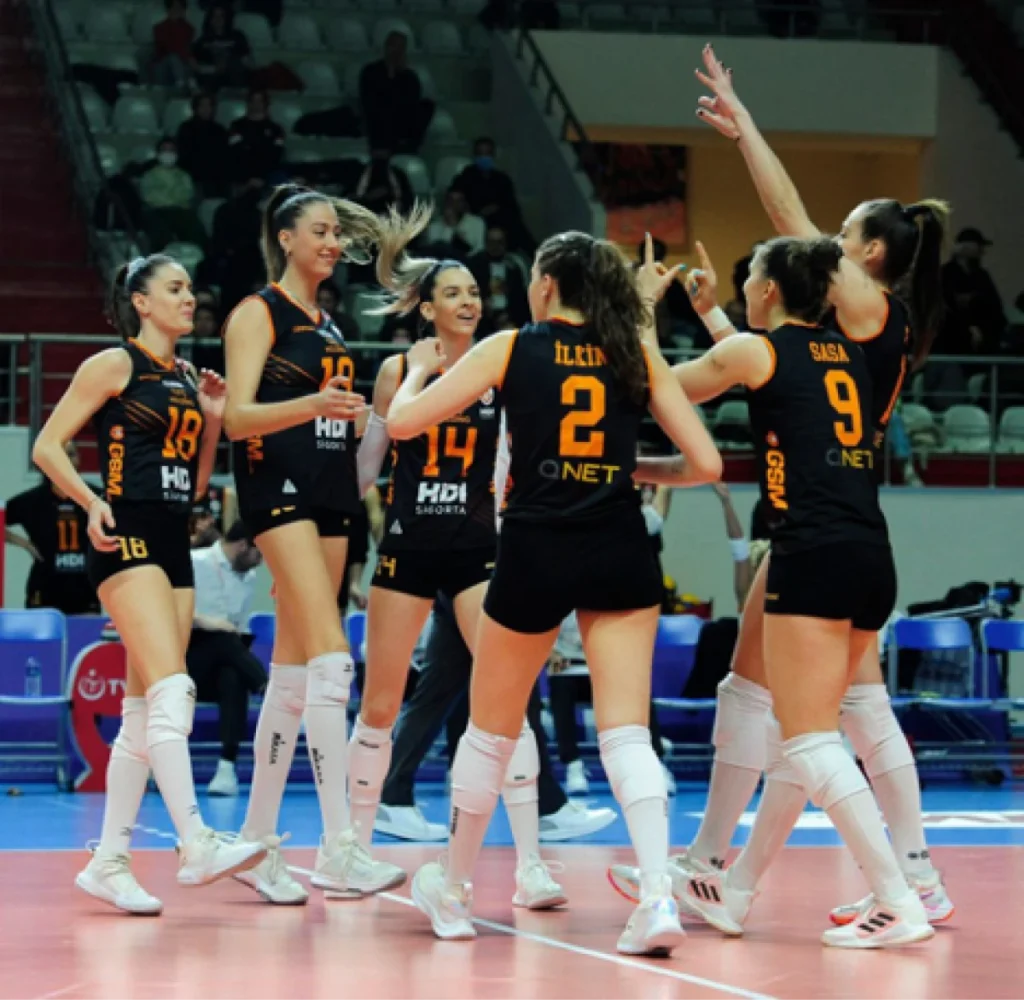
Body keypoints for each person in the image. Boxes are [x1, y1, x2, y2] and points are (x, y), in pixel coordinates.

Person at [649, 44, 952, 927]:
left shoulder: (873, 309)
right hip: (837, 519)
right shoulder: (845, 339)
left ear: (864, 255)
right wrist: (715, 311)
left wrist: (745, 130)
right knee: (782, 693)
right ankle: (720, 870)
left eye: (842, 236)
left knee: (828, 717)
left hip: (824, 524)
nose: (829, 244)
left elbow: (795, 234)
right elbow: (765, 360)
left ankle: (908, 875)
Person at [390, 231, 721, 955]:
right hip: (618, 544)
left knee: (491, 728)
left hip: (537, 545)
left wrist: (414, 376)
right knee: (626, 732)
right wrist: (637, 474)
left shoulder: (511, 346)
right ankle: (658, 898)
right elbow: (706, 462)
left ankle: (451, 891)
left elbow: (403, 424)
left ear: (545, 285)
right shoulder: (634, 351)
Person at [32, 254, 267, 915]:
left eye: (191, 287)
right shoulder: (114, 364)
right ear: (140, 302)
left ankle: (109, 861)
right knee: (174, 685)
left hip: (172, 540)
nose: (190, 297)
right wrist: (88, 501)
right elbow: (48, 446)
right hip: (123, 533)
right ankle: (195, 841)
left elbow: (190, 487)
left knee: (145, 710)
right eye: (175, 288)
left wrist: (214, 416)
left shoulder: (185, 375)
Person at [222, 184, 425, 905]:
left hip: (335, 493)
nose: (333, 242)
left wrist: (379, 419)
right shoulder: (258, 312)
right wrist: (313, 403)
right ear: (285, 238)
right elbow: (237, 418)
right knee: (335, 658)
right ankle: (339, 846)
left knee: (296, 670)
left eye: (338, 232)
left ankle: (256, 838)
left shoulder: (331, 326)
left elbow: (349, 425)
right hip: (276, 492)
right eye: (319, 230)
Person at [350, 238, 568, 908]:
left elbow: (513, 459)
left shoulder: (499, 363)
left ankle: (531, 863)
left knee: (507, 699)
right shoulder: (396, 371)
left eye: (474, 291)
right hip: (409, 545)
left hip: (476, 548)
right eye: (453, 293)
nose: (469, 301)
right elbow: (365, 473)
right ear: (426, 307)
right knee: (382, 702)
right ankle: (353, 851)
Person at [187, 519, 266, 796]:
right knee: (221, 638)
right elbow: (163, 609)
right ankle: (269, 690)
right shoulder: (195, 561)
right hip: (187, 657)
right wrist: (202, 621)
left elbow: (238, 628)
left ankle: (226, 769)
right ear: (243, 546)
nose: (262, 562)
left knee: (233, 676)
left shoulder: (249, 578)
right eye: (260, 554)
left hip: (224, 657)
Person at [5, 441, 99, 615]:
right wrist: (22, 543)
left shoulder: (96, 498)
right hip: (44, 588)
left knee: (86, 639)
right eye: (61, 455)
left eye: (71, 454)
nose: (67, 460)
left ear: (79, 459)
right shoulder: (32, 501)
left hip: (85, 588)